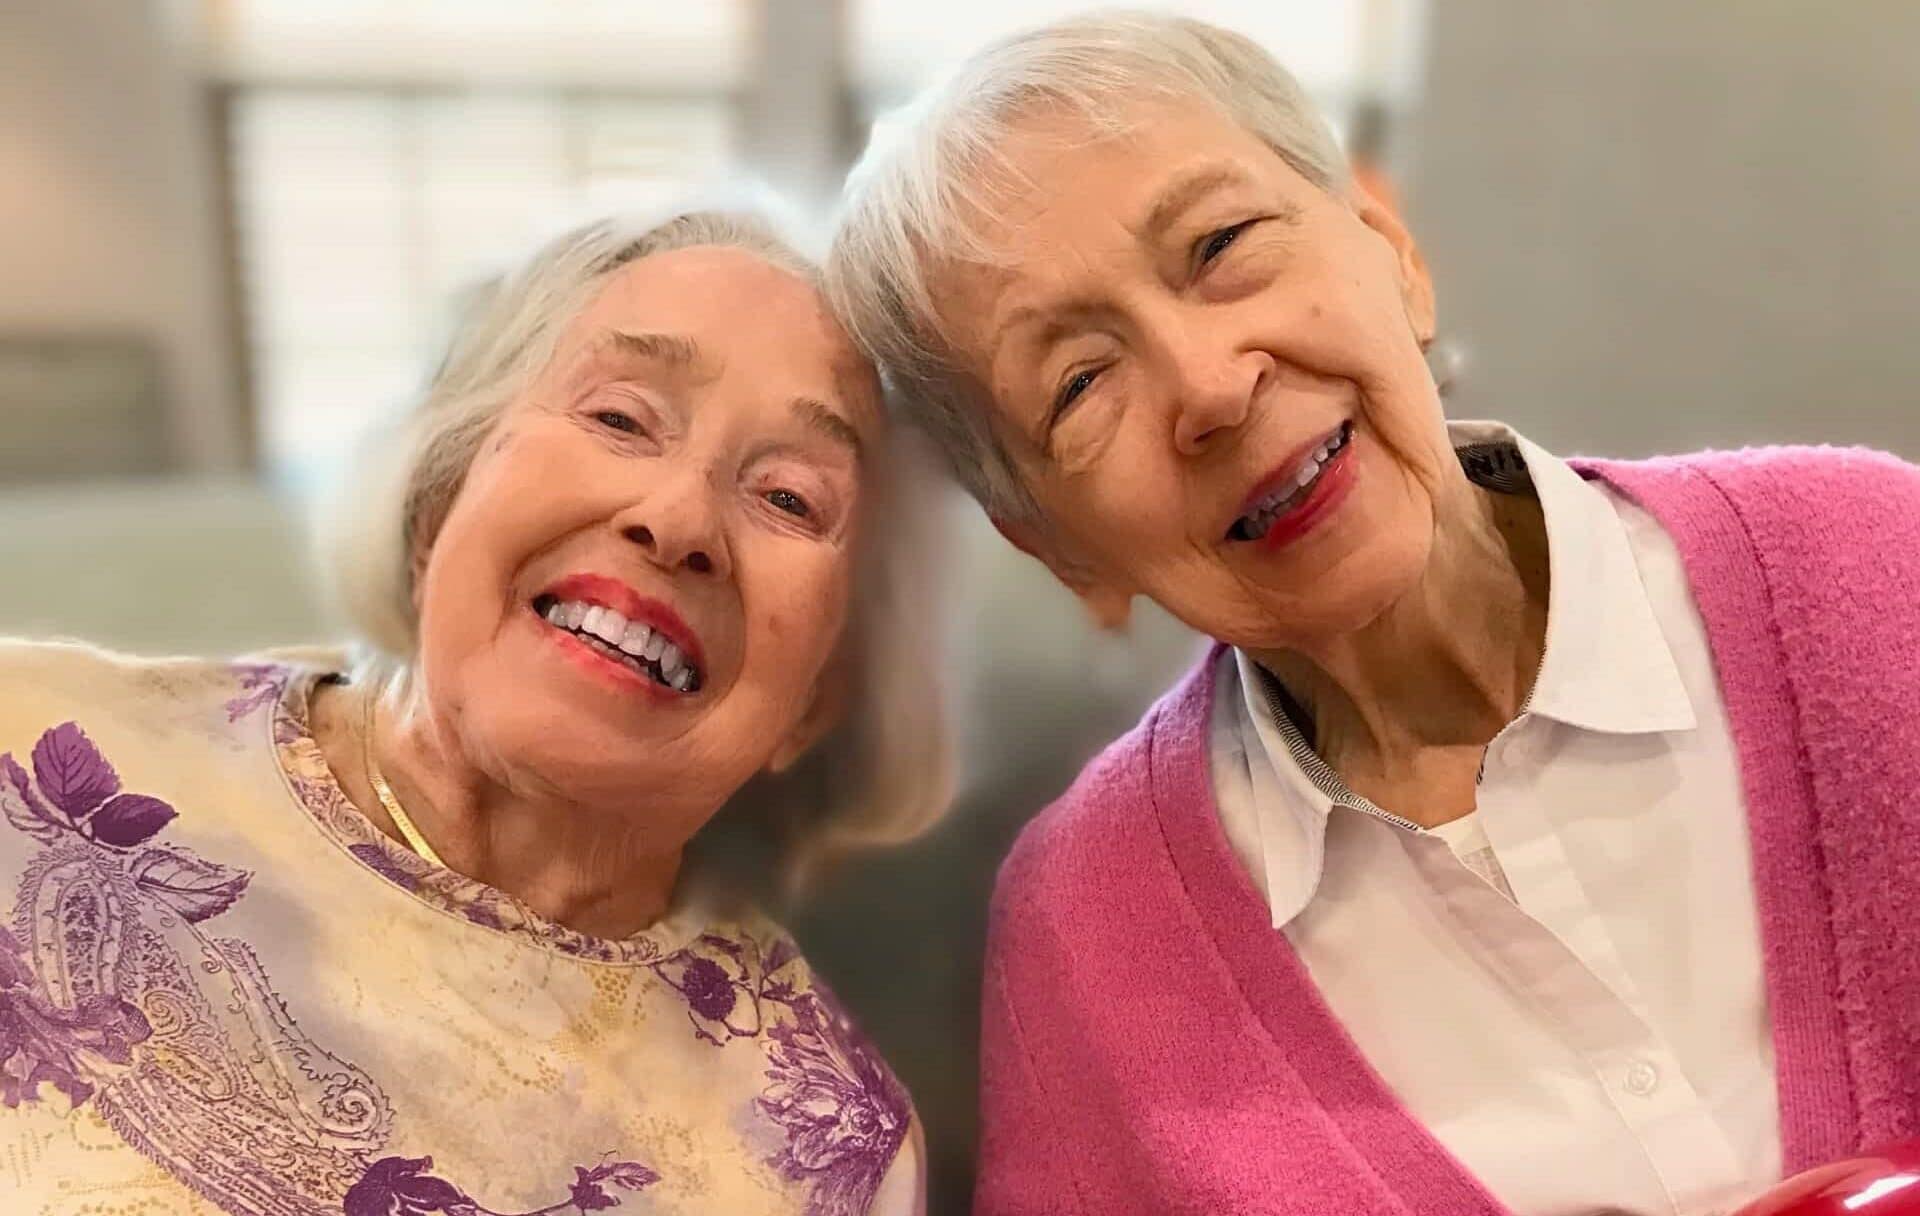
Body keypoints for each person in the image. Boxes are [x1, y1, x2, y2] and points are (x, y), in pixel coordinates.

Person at [826, 12, 1920, 1215]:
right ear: (1053, 545)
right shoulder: (1087, 937)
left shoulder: (1878, 565)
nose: (1210, 382)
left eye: (1222, 242)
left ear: (1390, 245)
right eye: (1081, 382)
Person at [0, 209, 949, 1215]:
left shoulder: (827, 1153)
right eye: (621, 418)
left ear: (818, 699)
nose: (677, 520)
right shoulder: (23, 744)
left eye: (792, 497)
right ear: (439, 496)